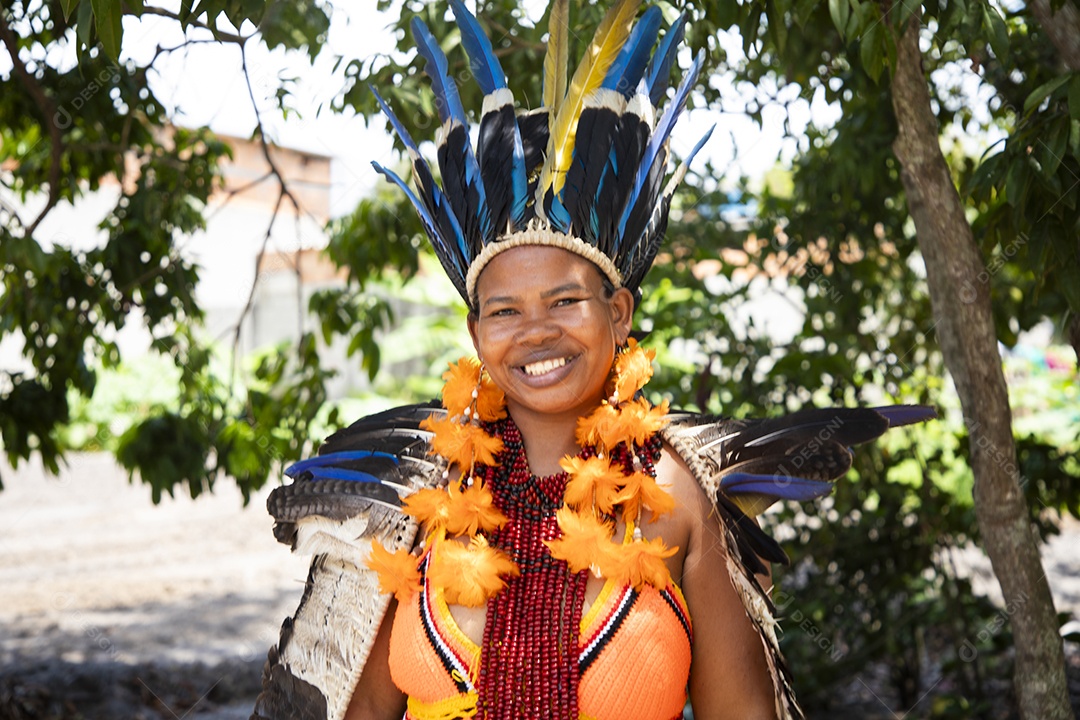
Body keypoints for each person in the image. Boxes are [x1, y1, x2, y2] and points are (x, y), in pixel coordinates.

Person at [250, 2, 933, 719]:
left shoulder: (679, 494)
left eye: (566, 301)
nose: (536, 332)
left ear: (619, 312)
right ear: (476, 329)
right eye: (506, 310)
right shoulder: (414, 493)